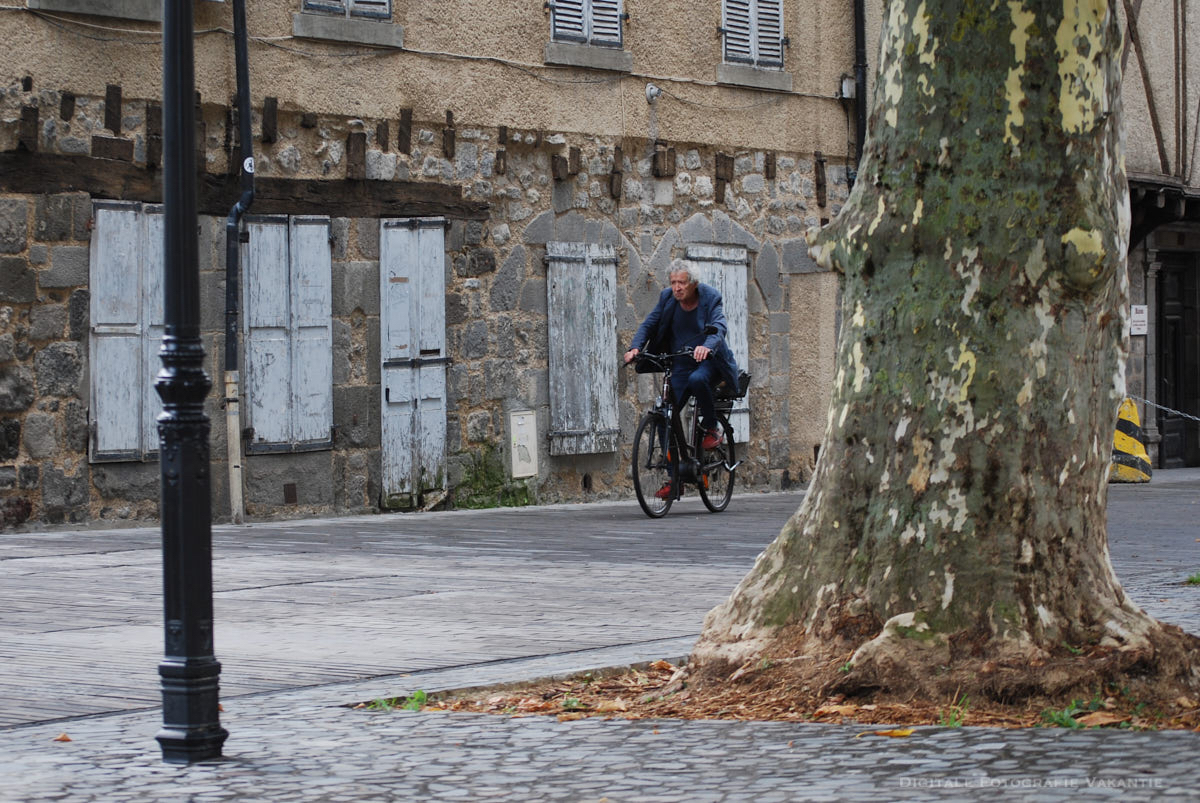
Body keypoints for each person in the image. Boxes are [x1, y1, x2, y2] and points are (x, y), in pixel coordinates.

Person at [624, 263, 739, 497]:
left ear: (693, 283)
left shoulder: (710, 298)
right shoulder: (667, 298)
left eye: (682, 283)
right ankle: (674, 476)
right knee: (663, 414)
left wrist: (706, 347)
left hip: (708, 362)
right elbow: (650, 323)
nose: (676, 288)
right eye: (673, 282)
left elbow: (718, 327)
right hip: (680, 364)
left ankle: (711, 426)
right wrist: (635, 348)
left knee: (698, 380)